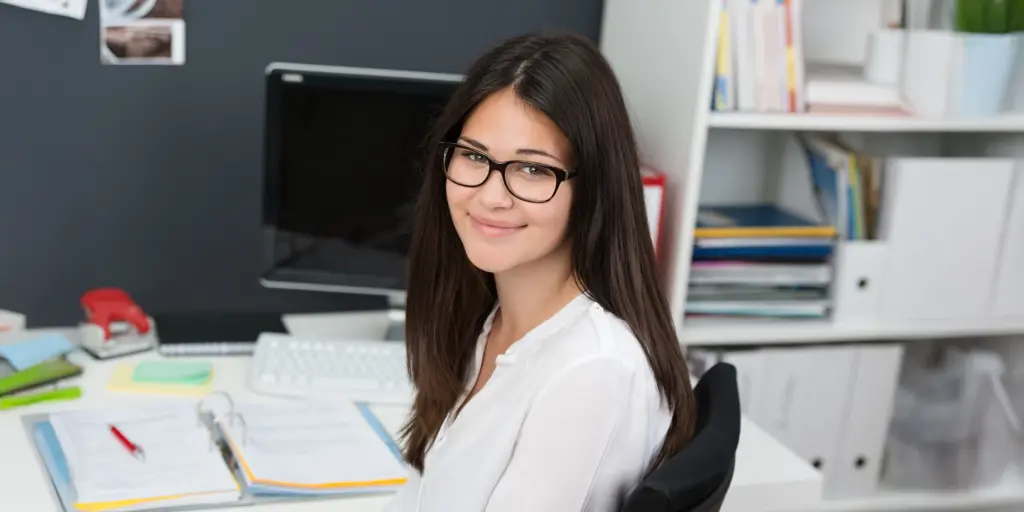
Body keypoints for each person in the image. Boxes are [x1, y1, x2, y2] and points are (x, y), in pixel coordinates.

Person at [388, 32, 697, 512]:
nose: (491, 196)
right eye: (474, 156)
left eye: (533, 170)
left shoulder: (590, 372)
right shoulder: (490, 318)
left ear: (593, 189)